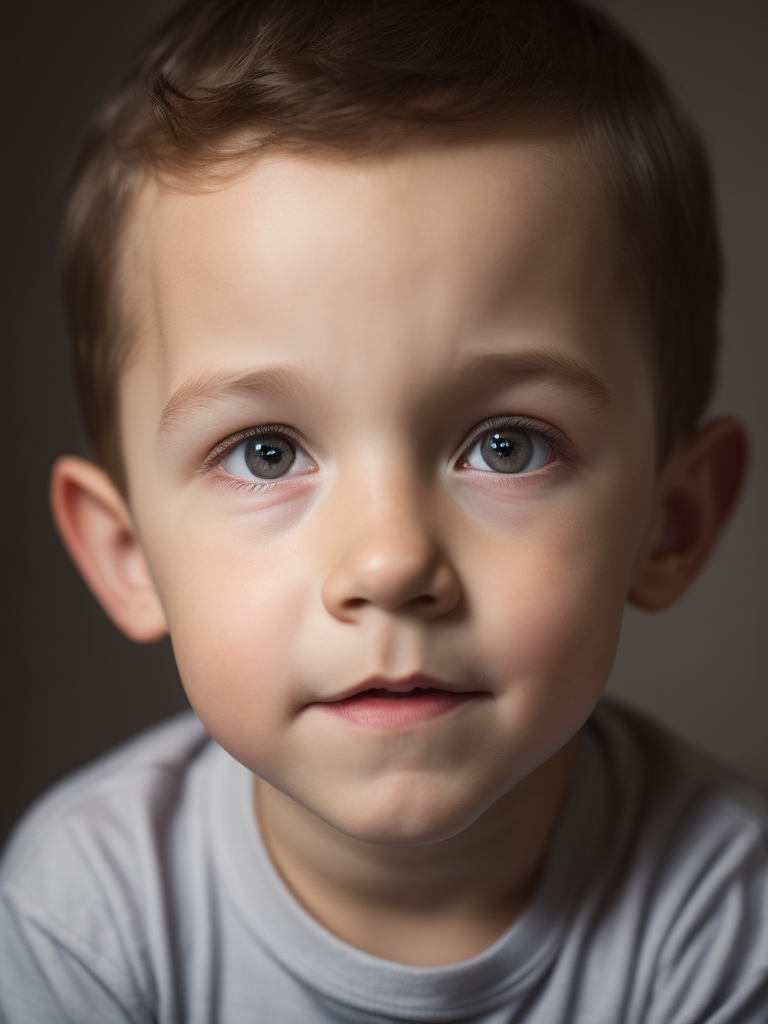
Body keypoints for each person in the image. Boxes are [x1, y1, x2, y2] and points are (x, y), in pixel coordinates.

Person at [0, 0, 765, 1020]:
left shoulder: (726, 917)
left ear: (670, 523)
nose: (391, 561)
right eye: (266, 451)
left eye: (508, 444)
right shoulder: (84, 919)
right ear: (129, 551)